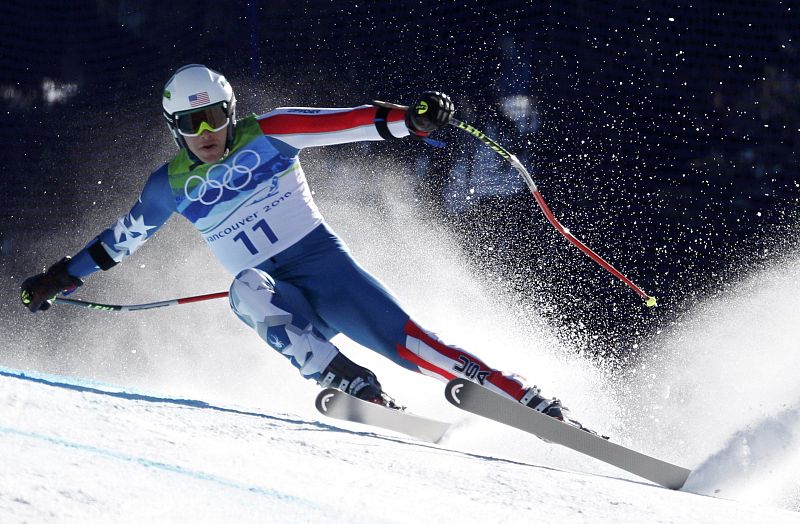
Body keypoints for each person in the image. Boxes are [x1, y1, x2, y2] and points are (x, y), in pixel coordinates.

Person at [20, 64, 568, 420]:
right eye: (189, 123)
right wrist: (62, 276)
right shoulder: (170, 186)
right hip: (283, 299)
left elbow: (349, 123)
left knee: (416, 348)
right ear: (175, 128)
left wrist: (411, 120)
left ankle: (527, 399)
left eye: (211, 116)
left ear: (228, 112)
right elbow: (120, 241)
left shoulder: (272, 131)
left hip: (327, 273)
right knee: (246, 289)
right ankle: (351, 383)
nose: (204, 131)